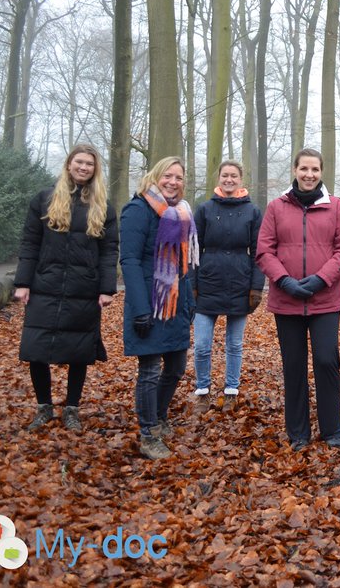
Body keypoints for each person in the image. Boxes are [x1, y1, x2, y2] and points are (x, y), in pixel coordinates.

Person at [15, 144, 118, 433]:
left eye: (89, 164)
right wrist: (23, 282)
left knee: (79, 350)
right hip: (44, 284)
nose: (84, 167)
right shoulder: (44, 200)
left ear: (95, 169)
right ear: (69, 164)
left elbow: (109, 251)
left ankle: (72, 408)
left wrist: (106, 288)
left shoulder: (103, 208)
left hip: (83, 289)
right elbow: (30, 242)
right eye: (79, 162)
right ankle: (43, 406)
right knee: (36, 348)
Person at [256, 148, 340, 451]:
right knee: (293, 366)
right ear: (295, 170)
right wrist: (284, 280)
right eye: (304, 169)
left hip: (325, 299)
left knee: (326, 361)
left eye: (315, 169)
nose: (309, 175)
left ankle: (332, 429)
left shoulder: (336, 207)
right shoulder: (276, 208)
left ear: (321, 172)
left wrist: (320, 279)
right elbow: (263, 251)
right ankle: (298, 432)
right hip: (287, 301)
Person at [121, 156, 198, 459]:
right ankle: (148, 432)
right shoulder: (137, 210)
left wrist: (190, 302)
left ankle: (160, 415)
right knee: (150, 370)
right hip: (149, 304)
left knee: (177, 367)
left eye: (179, 178)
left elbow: (184, 263)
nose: (173, 182)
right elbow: (128, 260)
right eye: (168, 176)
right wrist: (141, 309)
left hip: (176, 304)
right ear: (155, 177)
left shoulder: (180, 214)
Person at [192, 160, 264, 414]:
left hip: (239, 282)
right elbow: (193, 249)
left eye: (234, 176)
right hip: (207, 281)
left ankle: (231, 391)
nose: (229, 180)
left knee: (234, 344)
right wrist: (192, 283)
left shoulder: (253, 212)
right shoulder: (204, 209)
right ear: (219, 178)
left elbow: (259, 252)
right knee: (202, 344)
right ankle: (202, 391)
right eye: (225, 175)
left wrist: (256, 287)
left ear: (241, 179)